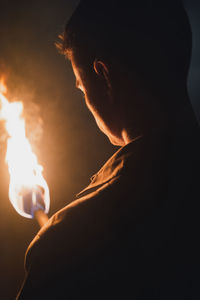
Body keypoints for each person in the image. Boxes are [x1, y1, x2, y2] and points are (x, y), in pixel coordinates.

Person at [17, 0, 200, 299]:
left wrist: (61, 236)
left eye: (80, 85)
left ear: (103, 75)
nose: (84, 99)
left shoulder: (70, 241)